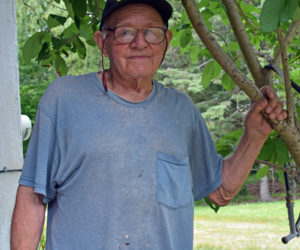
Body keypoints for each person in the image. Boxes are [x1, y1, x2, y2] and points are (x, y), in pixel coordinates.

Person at [11, 0, 287, 249]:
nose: (140, 42)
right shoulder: (63, 100)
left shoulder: (182, 111)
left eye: (151, 32)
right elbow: (32, 197)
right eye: (125, 32)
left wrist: (255, 135)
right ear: (102, 42)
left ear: (166, 41)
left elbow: (220, 191)